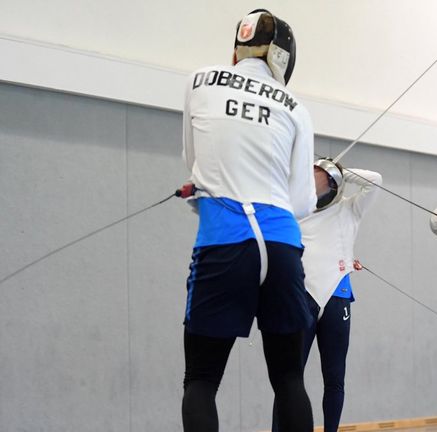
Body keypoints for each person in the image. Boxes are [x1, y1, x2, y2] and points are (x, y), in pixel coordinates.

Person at [180, 9, 322, 432]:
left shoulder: (200, 80)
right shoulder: (295, 106)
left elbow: (194, 166)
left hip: (224, 241)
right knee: (289, 379)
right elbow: (302, 202)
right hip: (280, 246)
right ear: (282, 57)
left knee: (202, 380)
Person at [274, 160, 382, 432]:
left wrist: (338, 169)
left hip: (337, 297)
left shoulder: (350, 209)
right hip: (303, 297)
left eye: (323, 180)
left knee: (334, 378)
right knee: (289, 377)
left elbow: (376, 179)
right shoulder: (298, 210)